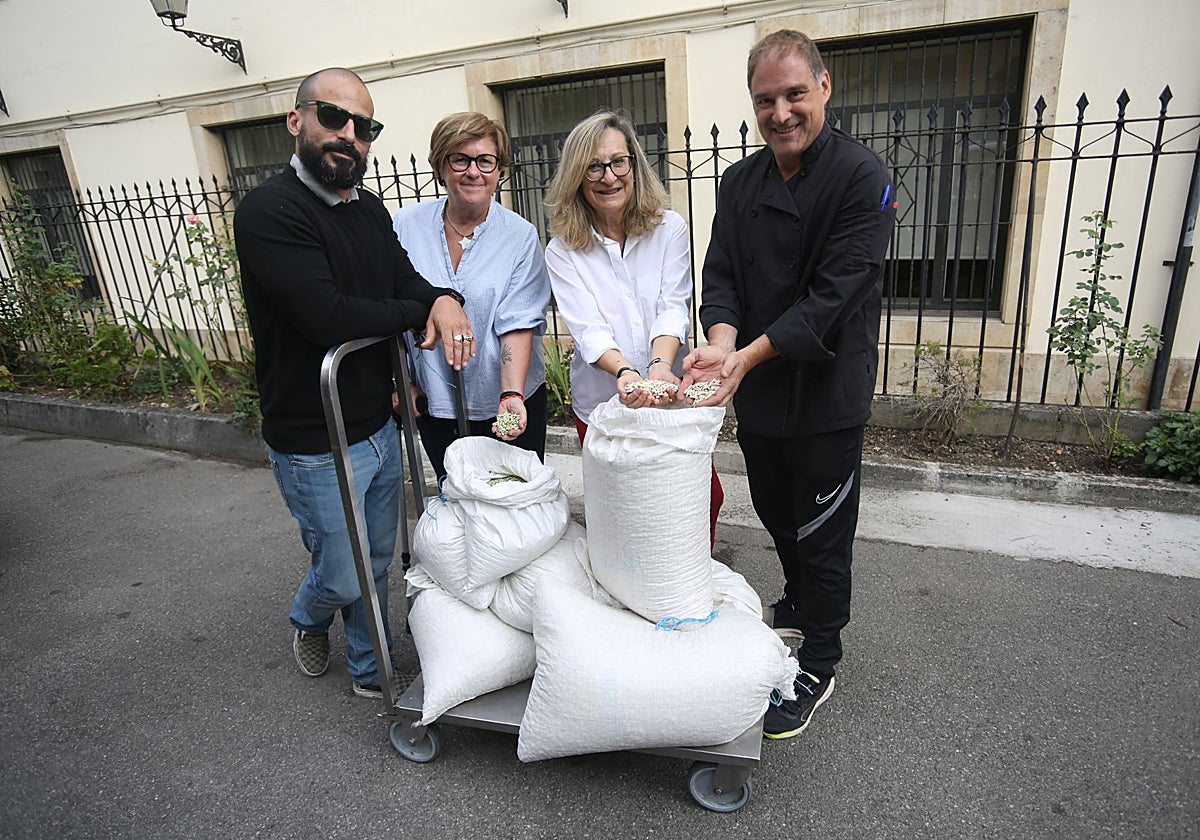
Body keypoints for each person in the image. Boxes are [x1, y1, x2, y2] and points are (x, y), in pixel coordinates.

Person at [682, 30, 896, 739]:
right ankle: (799, 606)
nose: (780, 113)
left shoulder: (863, 178)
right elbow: (722, 276)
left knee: (823, 531)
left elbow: (834, 296)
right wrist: (721, 343)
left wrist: (745, 356)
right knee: (778, 513)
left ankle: (821, 659)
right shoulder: (739, 182)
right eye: (765, 100)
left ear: (824, 87)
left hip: (827, 392)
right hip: (761, 393)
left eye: (794, 94)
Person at [233, 68, 473, 700]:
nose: (349, 135)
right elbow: (327, 317)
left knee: (377, 561)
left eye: (364, 126)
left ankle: (372, 669)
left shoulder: (366, 209)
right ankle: (308, 616)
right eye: (334, 117)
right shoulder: (269, 211)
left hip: (375, 422)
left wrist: (441, 298)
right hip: (314, 437)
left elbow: (401, 277)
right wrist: (417, 311)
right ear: (297, 121)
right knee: (343, 575)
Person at [544, 111, 724, 549]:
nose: (609, 177)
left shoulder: (669, 228)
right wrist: (626, 373)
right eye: (594, 166)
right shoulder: (562, 250)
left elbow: (672, 304)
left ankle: (690, 572)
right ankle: (631, 583)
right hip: (602, 399)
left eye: (617, 162)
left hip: (669, 393)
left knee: (702, 496)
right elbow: (588, 328)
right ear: (577, 176)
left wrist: (660, 367)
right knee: (624, 506)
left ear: (634, 164)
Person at [392, 112, 551, 479]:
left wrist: (510, 395)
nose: (473, 172)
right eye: (460, 159)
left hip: (507, 401)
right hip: (433, 401)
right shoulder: (406, 225)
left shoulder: (520, 236)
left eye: (486, 161)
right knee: (456, 497)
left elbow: (518, 321)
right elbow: (391, 306)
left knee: (515, 499)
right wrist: (399, 382)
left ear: (500, 169)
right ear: (441, 165)